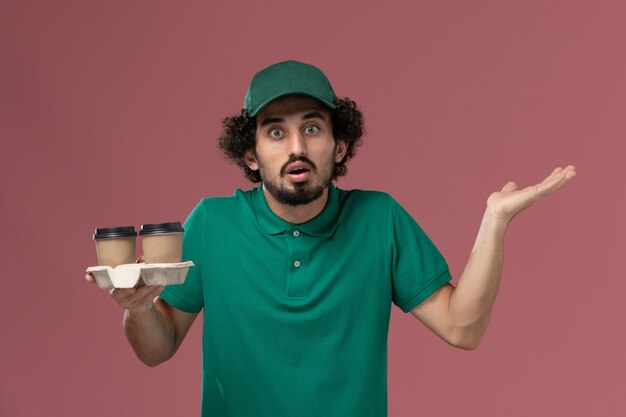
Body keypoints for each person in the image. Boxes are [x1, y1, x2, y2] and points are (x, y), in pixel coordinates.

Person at [86, 60, 576, 417]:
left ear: (339, 145)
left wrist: (495, 222)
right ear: (251, 154)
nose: (296, 146)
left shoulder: (379, 218)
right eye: (275, 132)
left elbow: (462, 328)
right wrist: (139, 307)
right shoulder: (211, 224)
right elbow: (156, 348)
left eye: (312, 128)